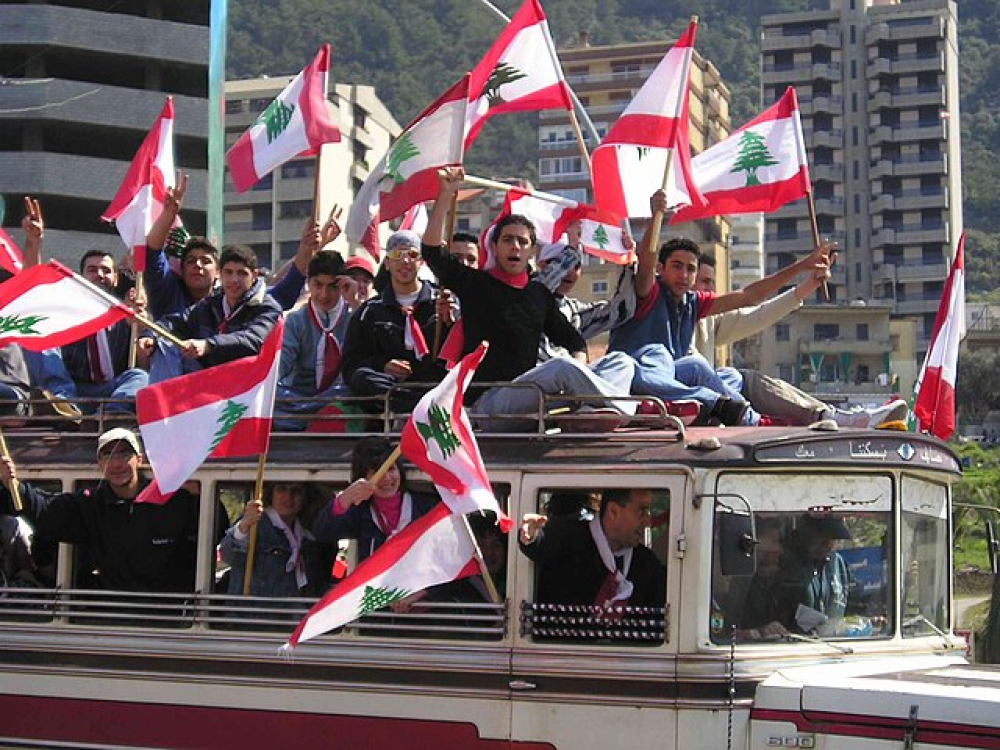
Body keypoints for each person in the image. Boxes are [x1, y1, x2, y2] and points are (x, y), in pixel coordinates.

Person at [422, 168, 636, 430]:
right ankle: (627, 408)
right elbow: (432, 251)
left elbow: (574, 341)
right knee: (560, 368)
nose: (515, 247)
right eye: (508, 240)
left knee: (622, 361)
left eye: (522, 242)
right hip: (490, 402)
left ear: (531, 251)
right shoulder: (475, 284)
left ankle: (590, 409)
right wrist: (445, 194)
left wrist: (580, 366)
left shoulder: (538, 294)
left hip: (534, 393)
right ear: (495, 247)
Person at [608, 190, 833, 426]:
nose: (684, 275)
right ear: (661, 269)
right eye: (676, 266)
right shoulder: (648, 293)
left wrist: (801, 268)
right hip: (638, 381)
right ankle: (754, 420)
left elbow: (749, 296)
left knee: (731, 375)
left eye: (691, 269)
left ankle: (742, 412)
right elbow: (645, 264)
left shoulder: (692, 303)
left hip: (675, 383)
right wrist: (656, 216)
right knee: (693, 364)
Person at [0, 428, 225, 592]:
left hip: (173, 620)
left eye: (124, 455)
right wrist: (13, 483)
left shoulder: (175, 500)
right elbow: (45, 510)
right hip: (114, 613)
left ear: (140, 460)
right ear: (99, 463)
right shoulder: (91, 505)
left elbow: (216, 533)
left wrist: (200, 496)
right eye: (108, 455)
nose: (116, 464)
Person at [694, 258, 908, 428]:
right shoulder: (664, 314)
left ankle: (834, 417)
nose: (709, 288)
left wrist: (806, 286)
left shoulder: (708, 319)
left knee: (744, 380)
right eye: (703, 281)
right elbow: (747, 297)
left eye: (711, 281)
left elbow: (759, 315)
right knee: (736, 377)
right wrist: (801, 267)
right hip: (692, 401)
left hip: (718, 395)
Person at [143, 174, 313, 318]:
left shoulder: (233, 300)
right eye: (191, 261)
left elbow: (284, 291)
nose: (198, 265)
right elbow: (153, 251)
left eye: (205, 261)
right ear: (182, 269)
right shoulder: (167, 293)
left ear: (218, 272)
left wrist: (307, 248)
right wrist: (168, 214)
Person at [341, 231, 449, 412]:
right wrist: (382, 365)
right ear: (388, 263)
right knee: (363, 378)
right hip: (389, 389)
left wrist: (449, 322)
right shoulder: (369, 312)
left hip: (432, 385)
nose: (405, 261)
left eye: (412, 255)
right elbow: (351, 366)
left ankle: (421, 408)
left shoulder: (442, 302)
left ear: (422, 262)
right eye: (397, 255)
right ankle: (416, 409)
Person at [143, 244, 282, 382]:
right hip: (210, 381)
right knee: (164, 346)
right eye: (228, 272)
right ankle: (162, 401)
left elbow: (254, 340)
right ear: (220, 274)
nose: (234, 280)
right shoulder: (210, 304)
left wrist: (208, 345)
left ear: (254, 276)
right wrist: (150, 336)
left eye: (242, 273)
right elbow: (175, 322)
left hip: (246, 384)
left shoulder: (268, 308)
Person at [518, 488, 665, 609]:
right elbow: (539, 544)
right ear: (613, 511)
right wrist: (530, 535)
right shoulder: (568, 538)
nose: (648, 521)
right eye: (641, 511)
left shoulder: (646, 563)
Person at [276, 246, 362, 430]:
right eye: (318, 285)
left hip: (340, 395)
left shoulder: (354, 316)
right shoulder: (295, 320)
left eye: (332, 286)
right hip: (299, 399)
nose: (324, 295)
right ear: (308, 282)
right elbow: (280, 367)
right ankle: (312, 418)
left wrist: (355, 302)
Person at [312, 437, 437, 564]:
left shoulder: (426, 506)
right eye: (376, 472)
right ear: (363, 478)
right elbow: (322, 533)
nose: (387, 478)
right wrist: (345, 498)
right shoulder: (360, 511)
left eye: (391, 469)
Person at [220, 482, 323, 598]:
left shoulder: (307, 534)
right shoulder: (255, 522)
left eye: (296, 491)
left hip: (291, 611)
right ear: (271, 494)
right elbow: (228, 555)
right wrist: (244, 526)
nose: (289, 497)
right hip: (253, 612)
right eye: (282, 489)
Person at [773, 514, 853, 634]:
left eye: (831, 539)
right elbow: (782, 608)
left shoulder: (836, 562)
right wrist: (821, 625)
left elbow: (852, 598)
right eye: (820, 538)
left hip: (835, 643)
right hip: (793, 644)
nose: (826, 545)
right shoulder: (782, 562)